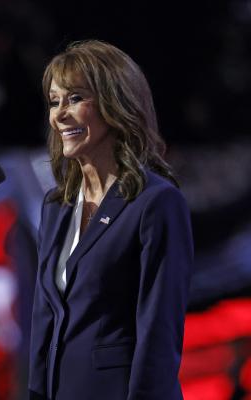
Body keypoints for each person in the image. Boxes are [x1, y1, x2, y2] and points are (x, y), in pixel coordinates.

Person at [28, 40, 193, 400]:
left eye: (74, 98)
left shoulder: (156, 203)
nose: (60, 114)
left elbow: (159, 332)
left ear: (114, 103)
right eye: (55, 101)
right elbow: (46, 320)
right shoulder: (56, 205)